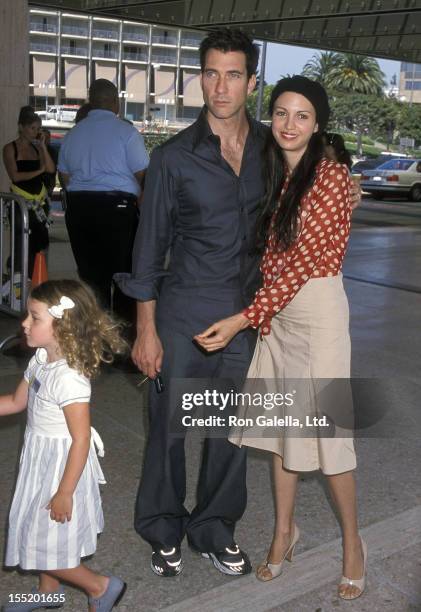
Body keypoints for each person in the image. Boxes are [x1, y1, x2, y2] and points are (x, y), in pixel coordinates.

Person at [195, 76, 366, 601]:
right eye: (283, 114)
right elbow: (267, 261)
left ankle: (354, 545)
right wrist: (257, 314)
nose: (290, 125)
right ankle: (283, 532)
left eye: (303, 116)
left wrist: (245, 318)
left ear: (319, 126)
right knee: (278, 432)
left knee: (329, 437)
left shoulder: (333, 178)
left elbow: (300, 266)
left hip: (316, 318)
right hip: (278, 319)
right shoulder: (273, 176)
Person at [115, 28, 265, 578]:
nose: (219, 87)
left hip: (247, 321)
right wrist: (145, 329)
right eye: (210, 73)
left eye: (232, 75)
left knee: (232, 430)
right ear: (199, 77)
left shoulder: (274, 152)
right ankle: (161, 524)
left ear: (251, 82)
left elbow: (309, 199)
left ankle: (214, 527)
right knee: (171, 428)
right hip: (181, 317)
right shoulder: (174, 157)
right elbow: (148, 250)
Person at [1, 279, 127, 612]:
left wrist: (65, 491)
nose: (24, 323)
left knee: (39, 541)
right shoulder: (41, 358)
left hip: (62, 465)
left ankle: (100, 586)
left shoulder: (69, 377)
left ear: (63, 325)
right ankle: (48, 592)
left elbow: (81, 438)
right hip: (39, 459)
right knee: (38, 528)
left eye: (34, 317)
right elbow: (15, 402)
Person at [57, 79, 148, 325]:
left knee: (91, 277)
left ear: (91, 101)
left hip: (79, 209)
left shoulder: (73, 134)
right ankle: (121, 339)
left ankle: (94, 339)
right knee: (122, 275)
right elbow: (144, 176)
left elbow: (64, 177)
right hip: (117, 210)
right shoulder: (126, 132)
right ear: (115, 102)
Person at [3, 106, 56, 277]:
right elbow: (15, 176)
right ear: (21, 127)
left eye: (38, 128)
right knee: (21, 243)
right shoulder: (10, 148)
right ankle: (18, 279)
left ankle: (36, 280)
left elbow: (50, 169)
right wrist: (38, 171)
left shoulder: (37, 148)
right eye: (32, 128)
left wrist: (42, 147)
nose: (36, 132)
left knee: (39, 243)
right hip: (21, 203)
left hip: (39, 203)